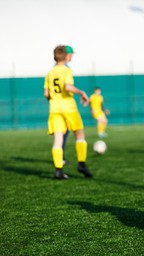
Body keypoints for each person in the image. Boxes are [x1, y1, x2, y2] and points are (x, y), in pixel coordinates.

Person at [44, 45, 93, 179]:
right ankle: (81, 163)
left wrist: (55, 99)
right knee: (79, 134)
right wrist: (81, 92)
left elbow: (46, 94)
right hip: (68, 107)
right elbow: (67, 87)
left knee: (58, 139)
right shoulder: (66, 70)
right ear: (66, 56)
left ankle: (58, 170)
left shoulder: (50, 73)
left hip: (54, 109)